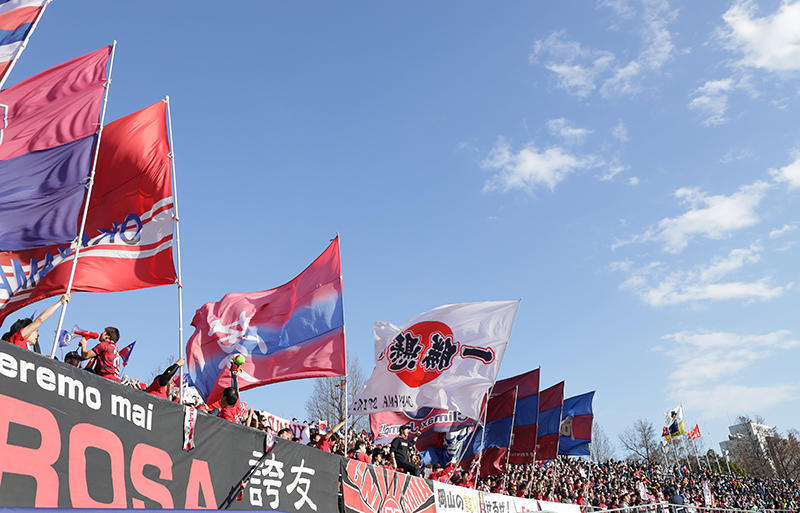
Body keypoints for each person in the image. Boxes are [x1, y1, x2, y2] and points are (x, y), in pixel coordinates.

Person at [2, 293, 70, 353]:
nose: (38, 335)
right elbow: (40, 319)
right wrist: (60, 302)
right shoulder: (17, 339)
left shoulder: (28, 350)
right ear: (27, 330)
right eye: (35, 331)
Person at [218, 356, 242, 423]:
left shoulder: (226, 414)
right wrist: (233, 372)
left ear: (225, 398)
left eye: (222, 396)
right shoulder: (236, 405)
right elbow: (235, 388)